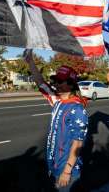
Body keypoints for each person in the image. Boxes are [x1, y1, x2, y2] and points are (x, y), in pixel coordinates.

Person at [24, 49, 88, 191]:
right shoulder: (57, 101)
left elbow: (78, 143)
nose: (56, 84)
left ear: (71, 84)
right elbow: (40, 82)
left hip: (67, 170)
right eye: (56, 80)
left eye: (61, 81)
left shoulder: (77, 109)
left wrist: (67, 171)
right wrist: (30, 62)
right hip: (54, 166)